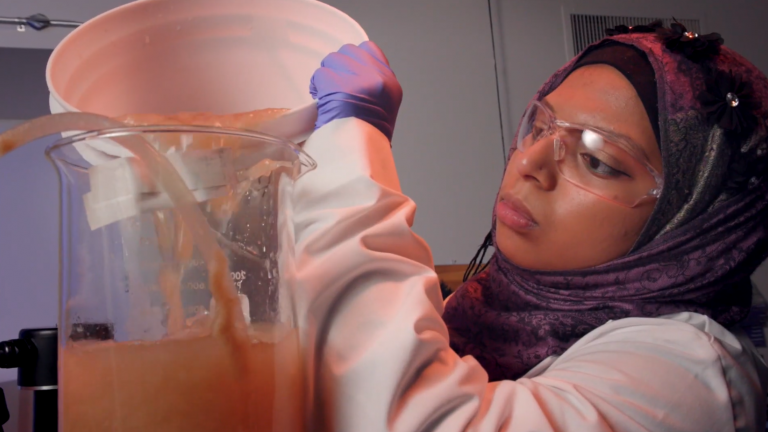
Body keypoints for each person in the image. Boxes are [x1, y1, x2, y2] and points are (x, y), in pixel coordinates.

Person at [292, 21, 768, 431]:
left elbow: (414, 420)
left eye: (597, 161)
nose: (531, 164)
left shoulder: (689, 376)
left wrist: (353, 152)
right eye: (540, 128)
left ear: (691, 228)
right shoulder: (497, 303)